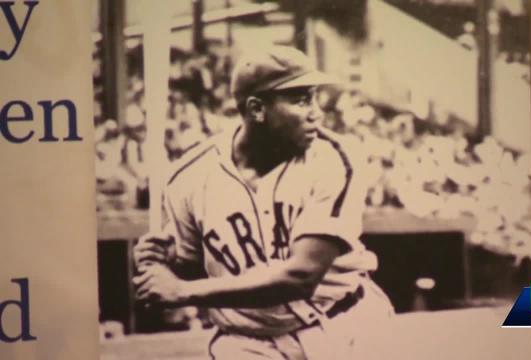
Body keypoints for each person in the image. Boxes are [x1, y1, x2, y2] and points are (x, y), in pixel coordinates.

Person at [133, 46, 394, 360]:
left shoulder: (336, 158)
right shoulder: (188, 179)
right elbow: (185, 275)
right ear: (257, 109)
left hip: (341, 324)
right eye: (301, 99)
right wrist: (163, 261)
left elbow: (301, 276)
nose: (317, 112)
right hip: (249, 342)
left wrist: (180, 291)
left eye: (314, 97)